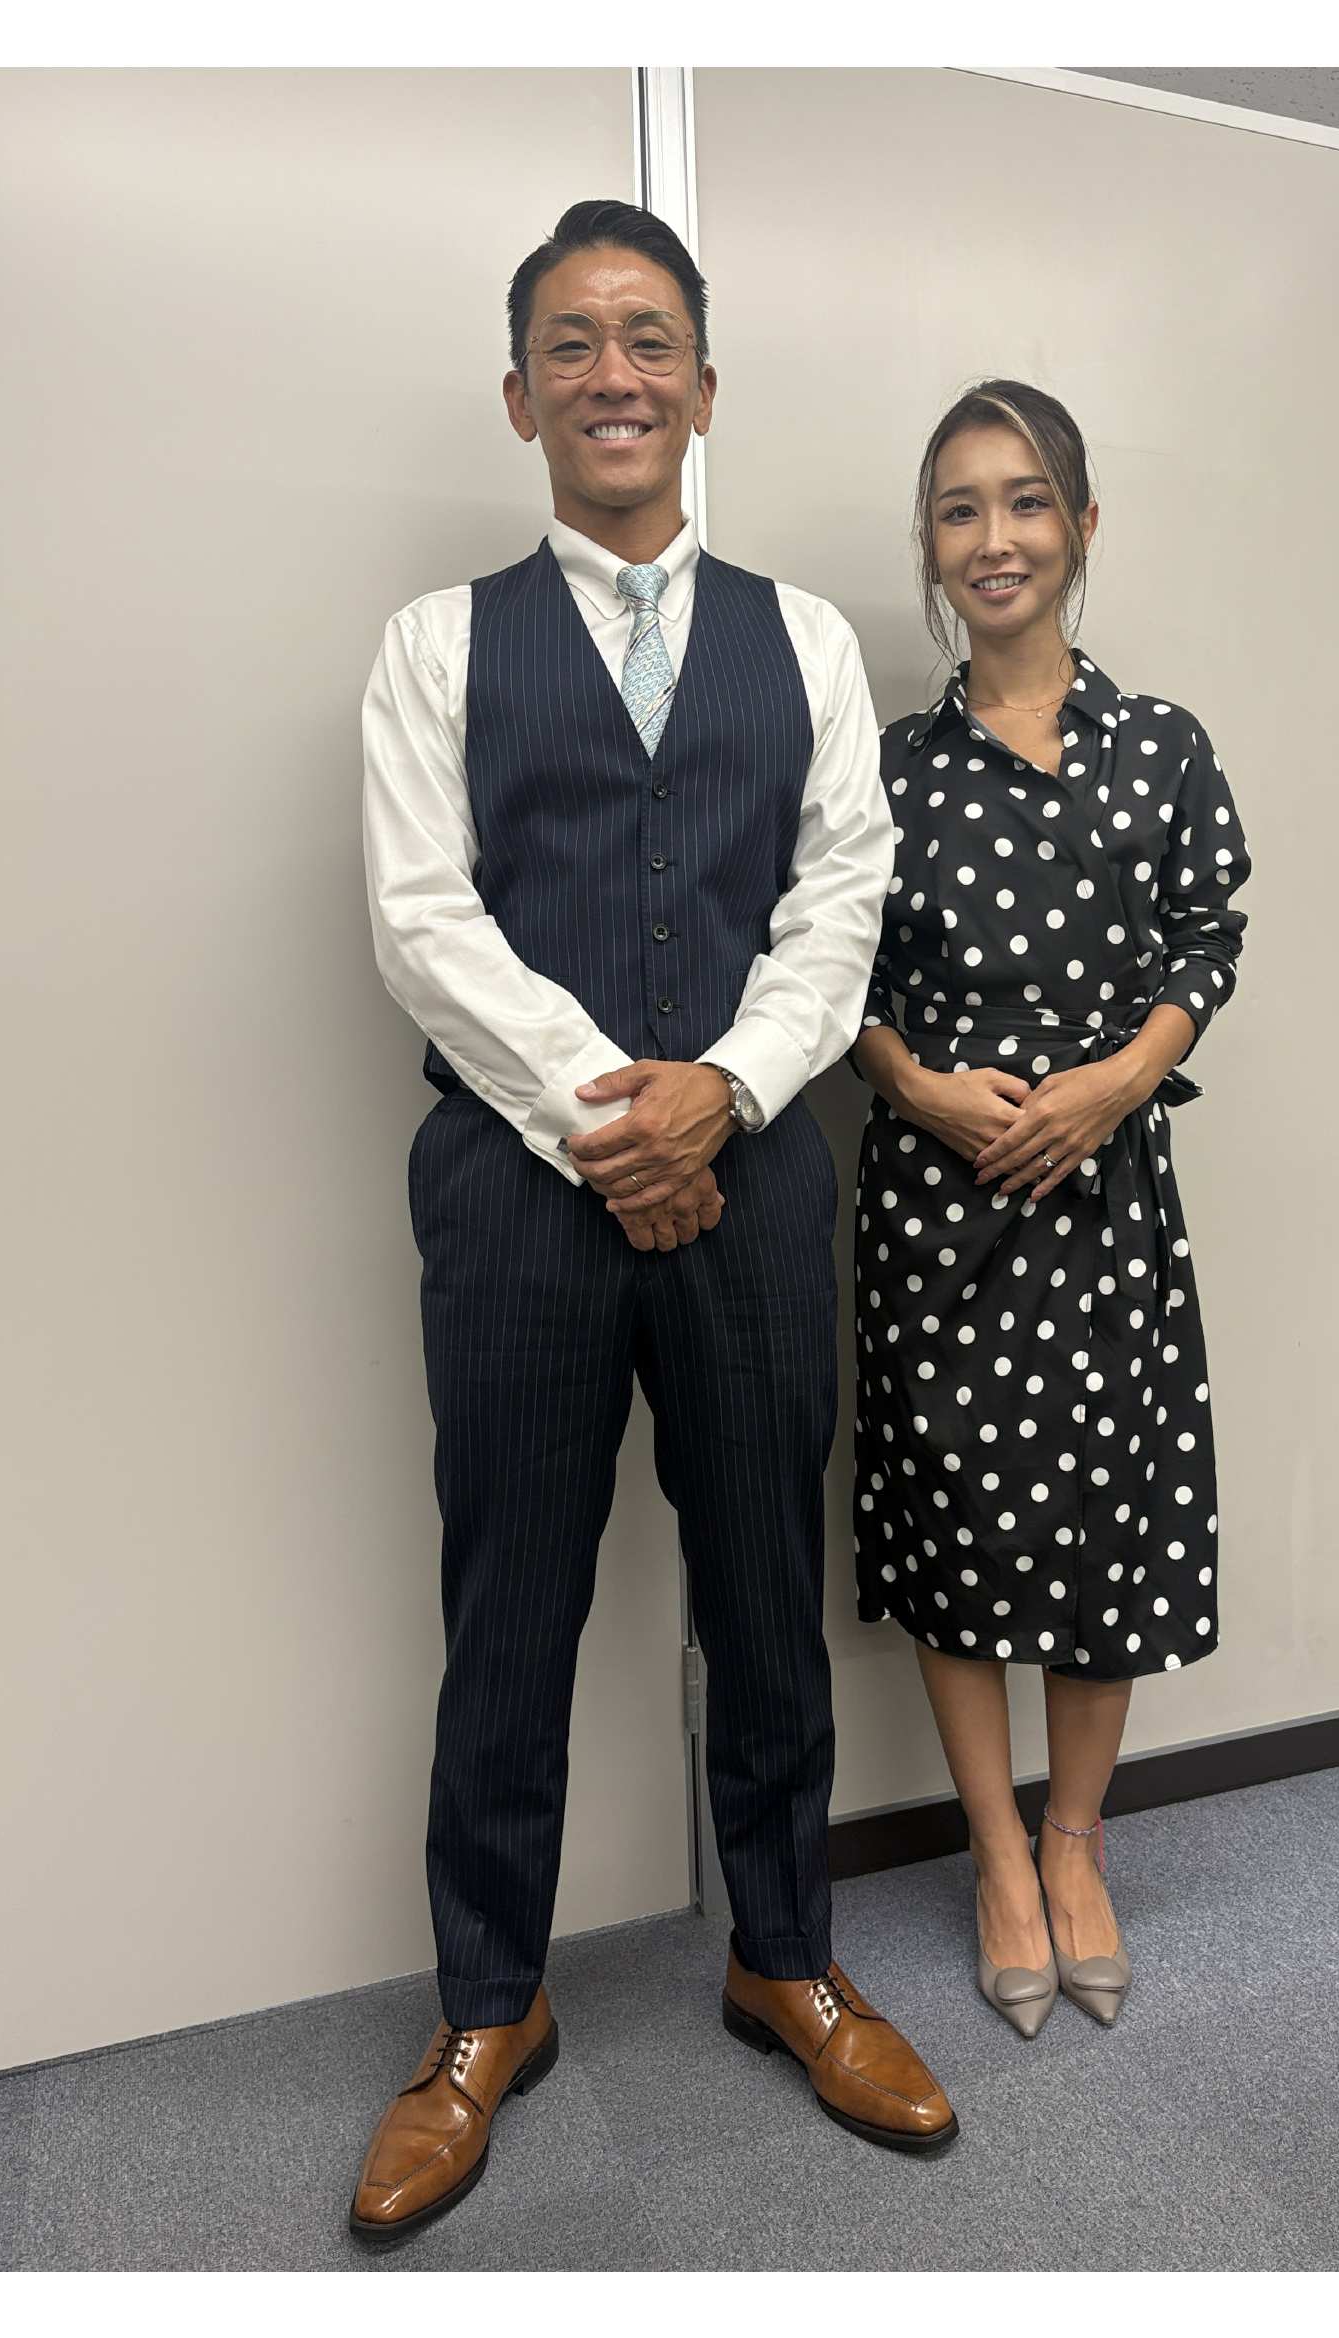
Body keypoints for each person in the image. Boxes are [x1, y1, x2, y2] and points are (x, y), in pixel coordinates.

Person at [353, 199, 958, 2245]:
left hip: (758, 1175)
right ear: (519, 394)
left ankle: (782, 1955)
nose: (611, 373)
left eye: (647, 340)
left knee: (764, 1587)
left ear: (703, 387)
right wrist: (613, 1113)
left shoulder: (805, 644)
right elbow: (424, 921)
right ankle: (485, 2005)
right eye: (570, 342)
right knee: (508, 1597)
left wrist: (729, 1090)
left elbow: (839, 898)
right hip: (513, 1195)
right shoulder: (434, 645)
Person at [851, 381, 1251, 2039]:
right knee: (958, 1522)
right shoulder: (883, 769)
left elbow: (1206, 939)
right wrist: (915, 1088)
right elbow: (836, 982)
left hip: (1106, 1206)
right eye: (959, 508)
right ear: (931, 545)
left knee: (1104, 1522)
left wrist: (1118, 1081)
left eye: (1024, 501)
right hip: (938, 1214)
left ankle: (1076, 1840)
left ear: (1080, 526)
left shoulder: (1163, 746)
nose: (993, 537)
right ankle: (996, 1854)